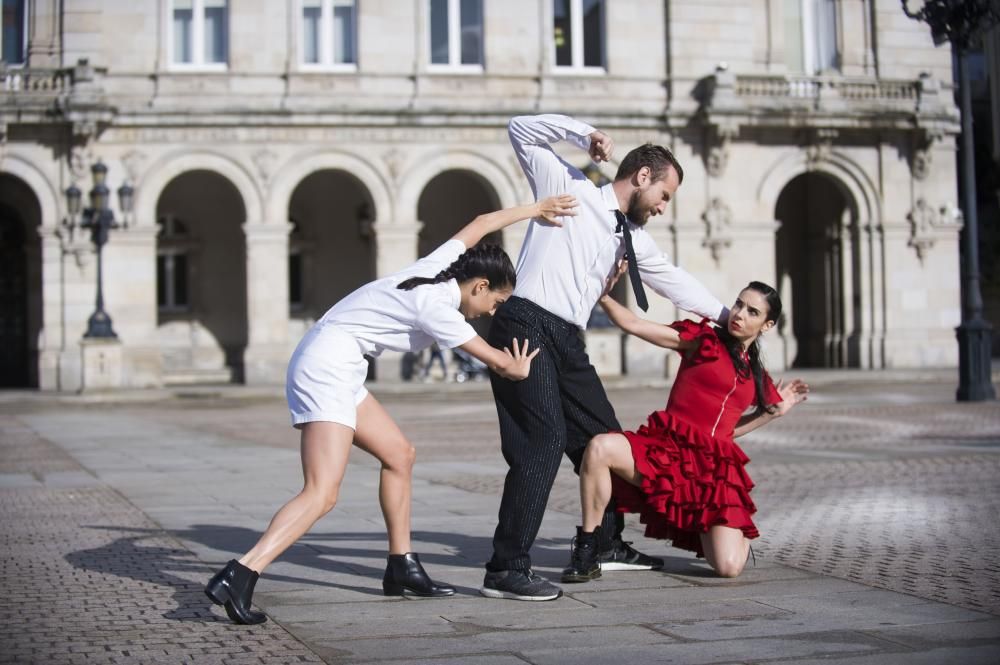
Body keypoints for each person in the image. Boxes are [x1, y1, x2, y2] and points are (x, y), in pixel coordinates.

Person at [205, 195, 577, 625]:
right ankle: (242, 572)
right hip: (328, 364)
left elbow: (480, 223)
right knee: (322, 492)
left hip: (338, 360)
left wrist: (534, 210)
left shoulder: (436, 268)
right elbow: (497, 362)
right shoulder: (439, 307)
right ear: (479, 286)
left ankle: (402, 567)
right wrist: (518, 366)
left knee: (399, 454)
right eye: (494, 303)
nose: (492, 312)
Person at [481, 114, 728, 602]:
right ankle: (506, 568)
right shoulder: (568, 186)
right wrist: (584, 134)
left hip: (569, 338)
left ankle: (606, 542)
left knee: (605, 437)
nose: (662, 207)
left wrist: (729, 319)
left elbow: (673, 280)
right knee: (544, 439)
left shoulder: (631, 238)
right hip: (526, 322)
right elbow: (519, 129)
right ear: (641, 177)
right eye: (664, 195)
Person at [562, 279, 809, 582]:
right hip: (665, 452)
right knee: (599, 447)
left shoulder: (755, 375)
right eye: (739, 304)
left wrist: (773, 413)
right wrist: (603, 294)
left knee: (728, 568)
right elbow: (635, 325)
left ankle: (734, 535)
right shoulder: (703, 341)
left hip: (712, 475)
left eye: (752, 312)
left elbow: (728, 431)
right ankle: (589, 547)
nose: (740, 314)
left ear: (767, 324)